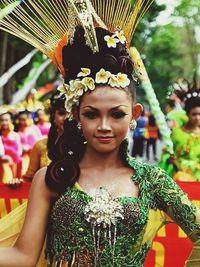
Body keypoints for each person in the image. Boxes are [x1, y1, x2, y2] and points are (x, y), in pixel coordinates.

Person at [0, 1, 200, 267]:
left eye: (117, 114)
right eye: (91, 114)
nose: (104, 126)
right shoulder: (51, 178)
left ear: (135, 114)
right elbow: (22, 257)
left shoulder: (153, 180)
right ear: (76, 115)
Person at [23, 92, 67, 181]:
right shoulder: (40, 146)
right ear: (53, 117)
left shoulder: (88, 146)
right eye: (62, 113)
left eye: (71, 113)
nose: (67, 118)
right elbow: (29, 179)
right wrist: (16, 183)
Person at [171, 78, 200, 181]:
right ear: (187, 114)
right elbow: (168, 153)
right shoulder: (176, 132)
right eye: (194, 114)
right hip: (178, 177)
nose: (197, 118)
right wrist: (170, 160)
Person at [15, 110, 42, 175]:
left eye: (25, 119)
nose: (23, 122)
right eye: (21, 120)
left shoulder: (34, 129)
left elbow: (39, 140)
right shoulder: (17, 132)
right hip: (23, 157)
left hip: (34, 155)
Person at [0, 110, 22, 182]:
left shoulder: (15, 135)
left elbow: (19, 151)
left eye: (6, 120)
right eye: (2, 120)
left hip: (15, 164)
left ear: (11, 121)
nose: (4, 122)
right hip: (2, 164)